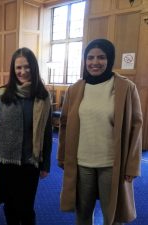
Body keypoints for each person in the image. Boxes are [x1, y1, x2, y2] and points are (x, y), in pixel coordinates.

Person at [57, 39, 143, 225]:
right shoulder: (75, 89)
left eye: (101, 57)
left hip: (112, 165)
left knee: (112, 215)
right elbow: (64, 125)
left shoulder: (125, 88)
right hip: (82, 163)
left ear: (110, 59)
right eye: (90, 57)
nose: (95, 62)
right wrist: (63, 155)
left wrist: (132, 165)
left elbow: (137, 126)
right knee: (83, 213)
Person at [0, 47, 53, 225]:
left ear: (33, 67)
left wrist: (45, 164)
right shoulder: (3, 94)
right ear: (13, 69)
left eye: (27, 67)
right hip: (6, 159)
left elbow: (47, 133)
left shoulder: (43, 96)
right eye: (18, 68)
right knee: (10, 206)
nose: (23, 71)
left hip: (30, 161)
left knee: (26, 208)